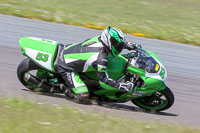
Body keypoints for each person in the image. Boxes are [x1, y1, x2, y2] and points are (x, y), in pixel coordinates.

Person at [57, 26, 136, 104]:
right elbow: (104, 79)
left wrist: (126, 44)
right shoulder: (100, 58)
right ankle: (62, 87)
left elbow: (114, 43)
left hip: (68, 50)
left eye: (119, 44)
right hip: (66, 66)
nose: (118, 47)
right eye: (117, 44)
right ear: (108, 40)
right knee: (83, 97)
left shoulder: (100, 39)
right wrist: (120, 85)